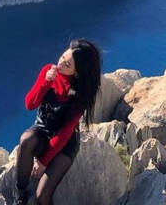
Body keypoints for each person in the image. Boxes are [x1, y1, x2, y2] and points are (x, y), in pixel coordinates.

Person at [13, 39, 102, 205]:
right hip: (42, 128)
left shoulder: (81, 94)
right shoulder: (49, 71)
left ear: (77, 73)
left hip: (65, 143)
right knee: (26, 140)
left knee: (43, 196)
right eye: (62, 57)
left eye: (67, 64)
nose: (60, 64)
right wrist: (46, 82)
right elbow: (29, 104)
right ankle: (20, 195)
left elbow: (65, 133)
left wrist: (43, 162)